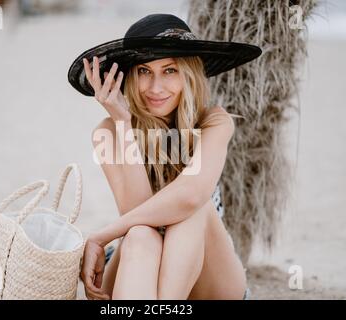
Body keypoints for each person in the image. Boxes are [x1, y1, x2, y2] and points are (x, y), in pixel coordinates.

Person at [67, 13, 261, 300]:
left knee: (194, 209)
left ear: (188, 74)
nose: (156, 87)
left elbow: (191, 196)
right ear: (129, 76)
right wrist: (123, 123)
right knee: (141, 234)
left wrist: (101, 235)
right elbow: (137, 214)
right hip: (138, 262)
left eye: (169, 70)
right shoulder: (108, 131)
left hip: (206, 275)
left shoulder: (214, 122)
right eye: (144, 71)